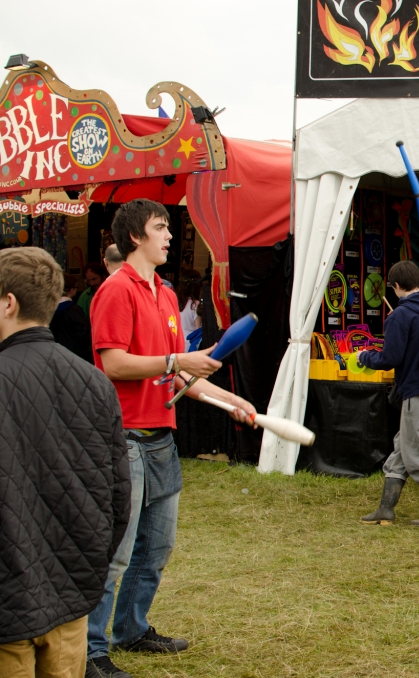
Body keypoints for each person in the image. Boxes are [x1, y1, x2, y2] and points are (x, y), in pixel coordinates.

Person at [85, 199, 255, 678]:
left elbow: (177, 376)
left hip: (161, 439)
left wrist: (230, 400)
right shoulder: (116, 291)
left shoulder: (164, 293)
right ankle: (91, 651)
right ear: (134, 236)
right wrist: (177, 361)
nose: (170, 236)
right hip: (123, 440)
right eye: (160, 228)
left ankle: (131, 629)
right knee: (116, 553)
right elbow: (113, 363)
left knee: (156, 547)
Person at [0, 248, 131, 678]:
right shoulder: (94, 381)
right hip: (68, 589)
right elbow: (118, 497)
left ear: (9, 303)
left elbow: (117, 495)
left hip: (29, 597)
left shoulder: (93, 382)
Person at [359, 261, 419, 526]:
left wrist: (364, 356)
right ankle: (385, 509)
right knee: (404, 446)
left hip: (415, 388)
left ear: (397, 285)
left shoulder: (401, 315)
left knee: (416, 449)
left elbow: (390, 358)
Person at [50, 273, 93, 363]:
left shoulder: (47, 310)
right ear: (72, 290)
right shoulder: (74, 311)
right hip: (75, 356)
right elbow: (84, 334)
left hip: (54, 355)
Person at [176, 269, 202, 341]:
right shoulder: (196, 305)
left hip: (176, 343)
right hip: (190, 344)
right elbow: (198, 330)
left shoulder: (174, 302)